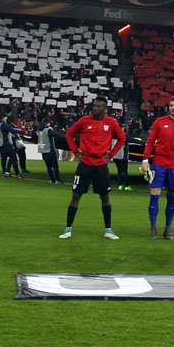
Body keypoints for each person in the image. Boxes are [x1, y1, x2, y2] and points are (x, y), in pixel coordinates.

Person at [59, 97, 125, 240]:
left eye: (98, 106)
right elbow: (69, 134)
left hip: (101, 165)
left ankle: (108, 230)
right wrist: (76, 152)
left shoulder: (111, 123)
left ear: (104, 109)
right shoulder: (84, 121)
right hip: (85, 164)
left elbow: (122, 138)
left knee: (105, 197)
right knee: (76, 196)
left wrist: (111, 154)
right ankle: (68, 229)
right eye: (94, 106)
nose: (95, 108)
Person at [140, 97, 174, 241]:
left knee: (172, 196)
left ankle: (168, 229)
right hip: (158, 163)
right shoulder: (159, 122)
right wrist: (145, 160)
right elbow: (150, 141)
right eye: (171, 105)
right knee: (154, 193)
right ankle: (153, 228)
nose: (173, 108)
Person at [37, 117, 65, 184]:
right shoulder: (48, 130)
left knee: (48, 166)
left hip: (43, 150)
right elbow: (57, 135)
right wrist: (67, 136)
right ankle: (57, 179)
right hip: (49, 149)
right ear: (47, 123)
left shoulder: (39, 130)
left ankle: (51, 179)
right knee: (55, 166)